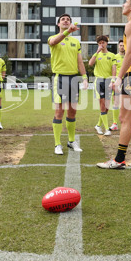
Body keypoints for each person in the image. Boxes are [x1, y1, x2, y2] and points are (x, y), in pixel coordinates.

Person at [97, 0, 131, 169]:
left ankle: (119, 159)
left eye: (126, 2)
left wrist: (119, 77)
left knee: (124, 117)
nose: (123, 4)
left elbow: (130, 53)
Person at [48, 14, 88, 155]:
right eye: (63, 20)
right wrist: (67, 32)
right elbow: (53, 42)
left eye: (68, 20)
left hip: (73, 78)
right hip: (59, 77)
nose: (66, 21)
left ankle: (71, 141)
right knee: (59, 111)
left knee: (72, 111)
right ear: (58, 24)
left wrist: (84, 77)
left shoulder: (75, 42)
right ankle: (57, 144)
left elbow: (80, 61)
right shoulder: (53, 38)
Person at [89, 35, 115, 136]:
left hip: (108, 81)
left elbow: (113, 69)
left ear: (107, 43)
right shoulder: (96, 55)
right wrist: (96, 52)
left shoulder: (112, 55)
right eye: (99, 43)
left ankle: (98, 125)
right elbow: (90, 64)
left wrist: (113, 80)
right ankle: (106, 129)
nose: (101, 45)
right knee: (103, 105)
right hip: (99, 81)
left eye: (103, 43)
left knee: (107, 106)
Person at [109, 39, 125, 131]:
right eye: (121, 45)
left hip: (127, 81)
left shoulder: (128, 57)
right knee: (116, 102)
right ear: (118, 46)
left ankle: (127, 123)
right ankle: (115, 123)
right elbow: (113, 70)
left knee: (126, 103)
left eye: (123, 45)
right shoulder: (115, 57)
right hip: (118, 82)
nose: (122, 47)